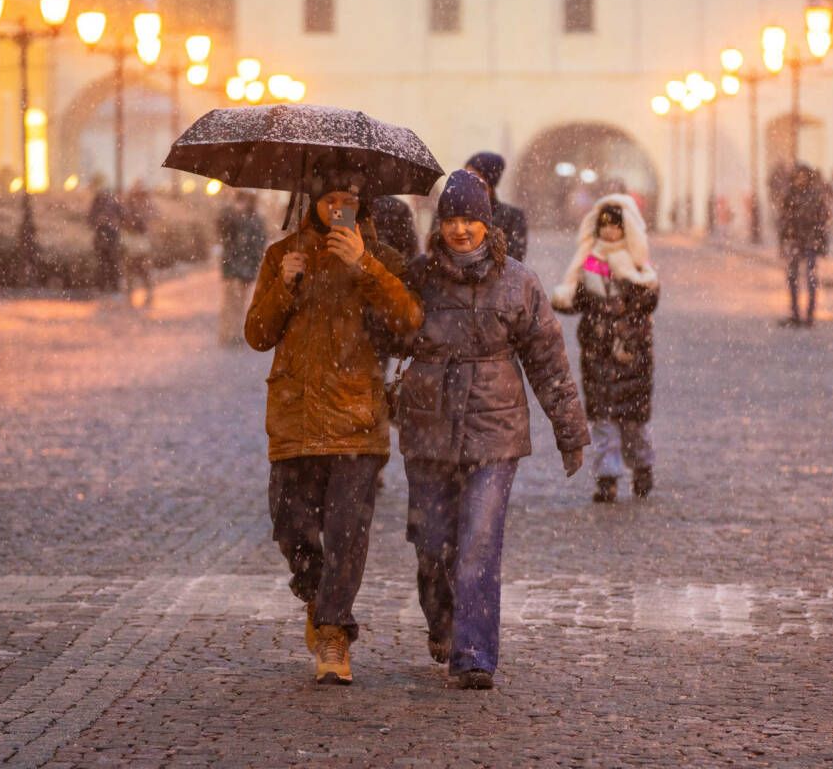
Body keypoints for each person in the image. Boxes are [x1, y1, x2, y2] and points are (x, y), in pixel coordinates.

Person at [397, 170, 589, 690]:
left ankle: (474, 650)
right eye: (452, 220)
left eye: (471, 220)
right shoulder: (418, 277)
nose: (461, 230)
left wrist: (569, 432)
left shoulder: (518, 283)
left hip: (495, 429)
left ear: (488, 224)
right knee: (433, 543)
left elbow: (548, 362)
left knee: (479, 540)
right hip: (428, 425)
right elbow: (384, 335)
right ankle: (442, 618)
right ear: (440, 225)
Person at [244, 168, 422, 685]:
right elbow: (257, 334)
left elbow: (410, 321)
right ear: (315, 201)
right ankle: (319, 596)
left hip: (355, 417)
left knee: (347, 531)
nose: (339, 207)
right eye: (331, 199)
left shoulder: (378, 257)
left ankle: (333, 631)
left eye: (349, 199)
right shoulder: (282, 256)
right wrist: (284, 284)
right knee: (291, 525)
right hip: (296, 414)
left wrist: (364, 264)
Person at [552, 195, 659, 504]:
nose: (610, 232)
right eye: (605, 227)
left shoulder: (639, 262)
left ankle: (642, 466)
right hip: (597, 355)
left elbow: (649, 299)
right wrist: (565, 300)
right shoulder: (589, 262)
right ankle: (607, 477)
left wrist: (618, 304)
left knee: (633, 422)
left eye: (615, 227)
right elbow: (579, 301)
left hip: (631, 355)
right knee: (602, 420)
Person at [779, 163, 830, 327]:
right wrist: (783, 241)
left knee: (810, 278)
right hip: (797, 240)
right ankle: (796, 313)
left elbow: (822, 220)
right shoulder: (791, 195)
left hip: (809, 241)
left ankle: (809, 315)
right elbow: (784, 220)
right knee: (794, 278)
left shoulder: (813, 196)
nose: (801, 179)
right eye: (799, 176)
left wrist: (822, 242)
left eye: (804, 176)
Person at [217, 190, 268, 346]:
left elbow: (260, 242)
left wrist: (255, 259)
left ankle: (235, 332)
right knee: (232, 299)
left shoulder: (256, 219)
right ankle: (229, 332)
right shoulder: (231, 215)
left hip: (245, 265)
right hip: (233, 264)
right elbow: (221, 230)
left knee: (239, 300)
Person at [464, 151, 529, 262]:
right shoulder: (448, 212)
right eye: (464, 175)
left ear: (489, 182)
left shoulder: (512, 217)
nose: (466, 181)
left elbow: (513, 259)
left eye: (474, 176)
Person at [87, 175, 125, 293]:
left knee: (112, 262)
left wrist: (115, 222)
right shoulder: (97, 202)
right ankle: (103, 287)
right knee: (103, 263)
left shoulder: (114, 201)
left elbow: (123, 216)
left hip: (112, 236)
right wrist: (99, 220)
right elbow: (90, 219)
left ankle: (113, 287)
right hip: (101, 236)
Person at [122, 180, 156, 307]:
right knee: (131, 270)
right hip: (132, 243)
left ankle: (148, 293)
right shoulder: (129, 205)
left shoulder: (145, 205)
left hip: (141, 244)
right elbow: (124, 220)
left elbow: (151, 218)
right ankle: (131, 294)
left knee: (143, 271)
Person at [370, 195, 419, 260]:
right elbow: (410, 246)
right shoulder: (399, 207)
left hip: (361, 263)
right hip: (389, 263)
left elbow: (410, 246)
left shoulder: (356, 206)